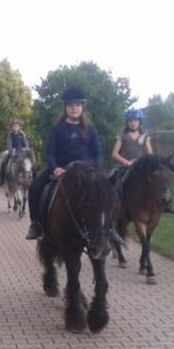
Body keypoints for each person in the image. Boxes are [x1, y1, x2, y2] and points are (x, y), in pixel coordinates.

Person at [25, 86, 104, 240]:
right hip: (62, 170)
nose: (74, 109)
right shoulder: (57, 129)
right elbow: (50, 154)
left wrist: (98, 169)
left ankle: (109, 226)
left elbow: (98, 153)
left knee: (108, 190)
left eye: (77, 105)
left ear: (82, 107)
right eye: (70, 106)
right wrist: (54, 169)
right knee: (35, 187)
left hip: (87, 171)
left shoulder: (90, 129)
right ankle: (36, 224)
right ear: (65, 108)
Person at [111, 108, 174, 213]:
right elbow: (114, 153)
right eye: (130, 121)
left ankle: (165, 203)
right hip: (124, 166)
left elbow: (150, 154)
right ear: (127, 122)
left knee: (159, 182)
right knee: (113, 181)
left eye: (135, 120)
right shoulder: (122, 137)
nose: (133, 123)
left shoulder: (145, 137)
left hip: (140, 168)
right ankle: (114, 205)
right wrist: (126, 162)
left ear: (139, 122)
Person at [0, 118, 29, 186]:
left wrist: (25, 150)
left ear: (19, 127)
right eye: (14, 126)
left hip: (21, 151)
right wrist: (11, 151)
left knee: (31, 162)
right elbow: (9, 144)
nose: (15, 127)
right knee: (4, 162)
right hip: (13, 151)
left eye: (17, 126)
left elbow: (26, 143)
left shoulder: (22, 134)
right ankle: (2, 179)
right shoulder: (10, 135)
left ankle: (34, 177)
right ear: (12, 127)